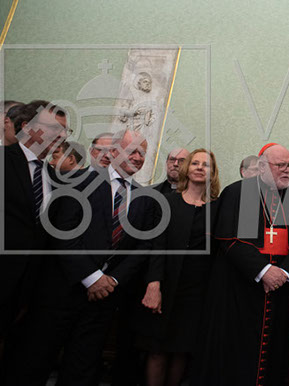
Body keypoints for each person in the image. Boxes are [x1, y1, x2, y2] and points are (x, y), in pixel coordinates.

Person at [3, 129, 156, 386]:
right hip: (61, 293)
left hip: (103, 302)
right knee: (33, 364)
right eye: (132, 151)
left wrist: (112, 280)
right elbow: (63, 231)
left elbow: (143, 247)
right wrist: (92, 277)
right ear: (114, 152)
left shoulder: (146, 199)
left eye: (142, 153)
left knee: (81, 370)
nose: (138, 157)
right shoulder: (78, 181)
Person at [192, 143, 289, 386]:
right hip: (238, 291)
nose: (287, 170)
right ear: (263, 166)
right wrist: (264, 271)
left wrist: (283, 273)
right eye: (280, 165)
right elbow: (229, 239)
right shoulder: (240, 192)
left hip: (280, 292)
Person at [137, 149, 220, 386]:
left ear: (212, 173)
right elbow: (157, 245)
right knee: (157, 350)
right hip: (165, 285)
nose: (199, 167)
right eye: (195, 163)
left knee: (181, 350)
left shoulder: (217, 208)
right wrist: (154, 284)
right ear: (186, 168)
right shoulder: (168, 202)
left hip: (196, 292)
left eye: (206, 165)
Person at [0, 101, 67, 338]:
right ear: (27, 127)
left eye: (65, 131)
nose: (61, 136)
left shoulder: (55, 179)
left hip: (24, 289)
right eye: (54, 128)